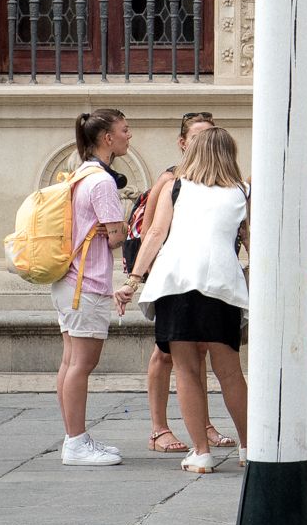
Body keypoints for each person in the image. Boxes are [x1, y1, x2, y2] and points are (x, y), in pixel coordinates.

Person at [120, 126, 250, 473]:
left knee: (187, 371)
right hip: (221, 285)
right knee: (231, 372)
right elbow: (253, 242)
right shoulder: (242, 192)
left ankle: (201, 451)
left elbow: (156, 234)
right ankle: (250, 446)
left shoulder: (176, 187)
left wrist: (133, 281)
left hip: (176, 282)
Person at [135, 110, 217, 456]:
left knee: (199, 350)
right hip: (171, 278)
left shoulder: (219, 178)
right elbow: (150, 230)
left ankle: (204, 425)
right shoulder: (169, 180)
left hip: (204, 277)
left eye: (210, 135)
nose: (204, 143)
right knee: (165, 353)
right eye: (197, 137)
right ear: (183, 143)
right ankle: (159, 428)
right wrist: (144, 276)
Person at [53, 108, 132, 468]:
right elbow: (116, 236)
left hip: (69, 281)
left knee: (71, 360)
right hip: (87, 283)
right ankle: (76, 443)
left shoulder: (79, 175)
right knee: (82, 363)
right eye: (125, 130)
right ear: (107, 139)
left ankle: (75, 437)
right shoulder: (102, 182)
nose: (129, 137)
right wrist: (124, 225)